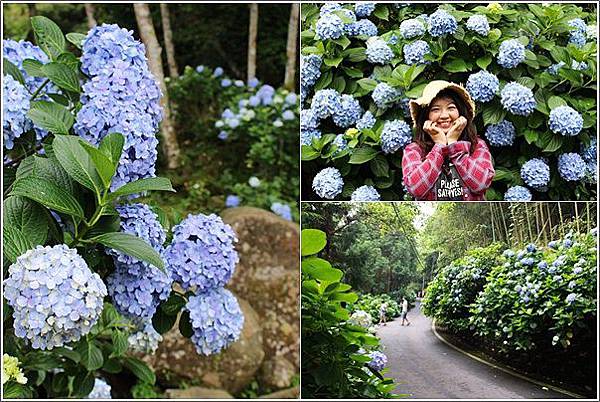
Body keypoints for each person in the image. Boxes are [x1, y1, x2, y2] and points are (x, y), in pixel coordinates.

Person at [402, 80, 495, 201]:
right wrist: (439, 146)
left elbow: (481, 184)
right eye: (435, 110)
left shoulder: (477, 145)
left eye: (451, 108)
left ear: (461, 113)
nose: (444, 115)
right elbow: (416, 189)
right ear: (426, 117)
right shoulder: (414, 150)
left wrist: (454, 145)